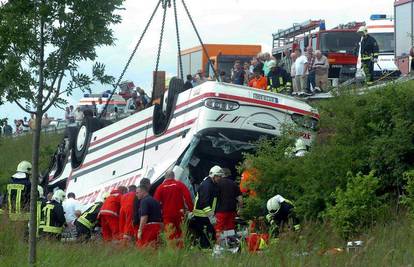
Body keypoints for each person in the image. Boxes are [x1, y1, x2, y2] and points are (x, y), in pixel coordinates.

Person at [154, 170, 194, 248]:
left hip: (167, 215)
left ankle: (173, 252)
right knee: (181, 233)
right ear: (174, 176)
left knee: (170, 234)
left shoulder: (160, 187)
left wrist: (158, 216)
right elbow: (188, 198)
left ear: (165, 177)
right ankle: (181, 250)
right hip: (180, 213)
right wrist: (191, 209)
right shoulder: (180, 185)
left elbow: (155, 203)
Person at [189, 165, 223, 249]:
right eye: (219, 176)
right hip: (202, 216)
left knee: (210, 236)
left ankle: (209, 251)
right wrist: (211, 217)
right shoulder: (207, 185)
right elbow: (204, 203)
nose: (220, 178)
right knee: (206, 237)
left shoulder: (212, 184)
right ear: (214, 176)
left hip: (206, 215)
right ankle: (206, 252)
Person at [215, 170, 242, 241]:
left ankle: (219, 245)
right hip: (232, 211)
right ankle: (231, 244)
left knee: (219, 229)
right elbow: (240, 198)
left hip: (220, 211)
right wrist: (240, 208)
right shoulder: (233, 184)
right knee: (230, 229)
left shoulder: (217, 183)